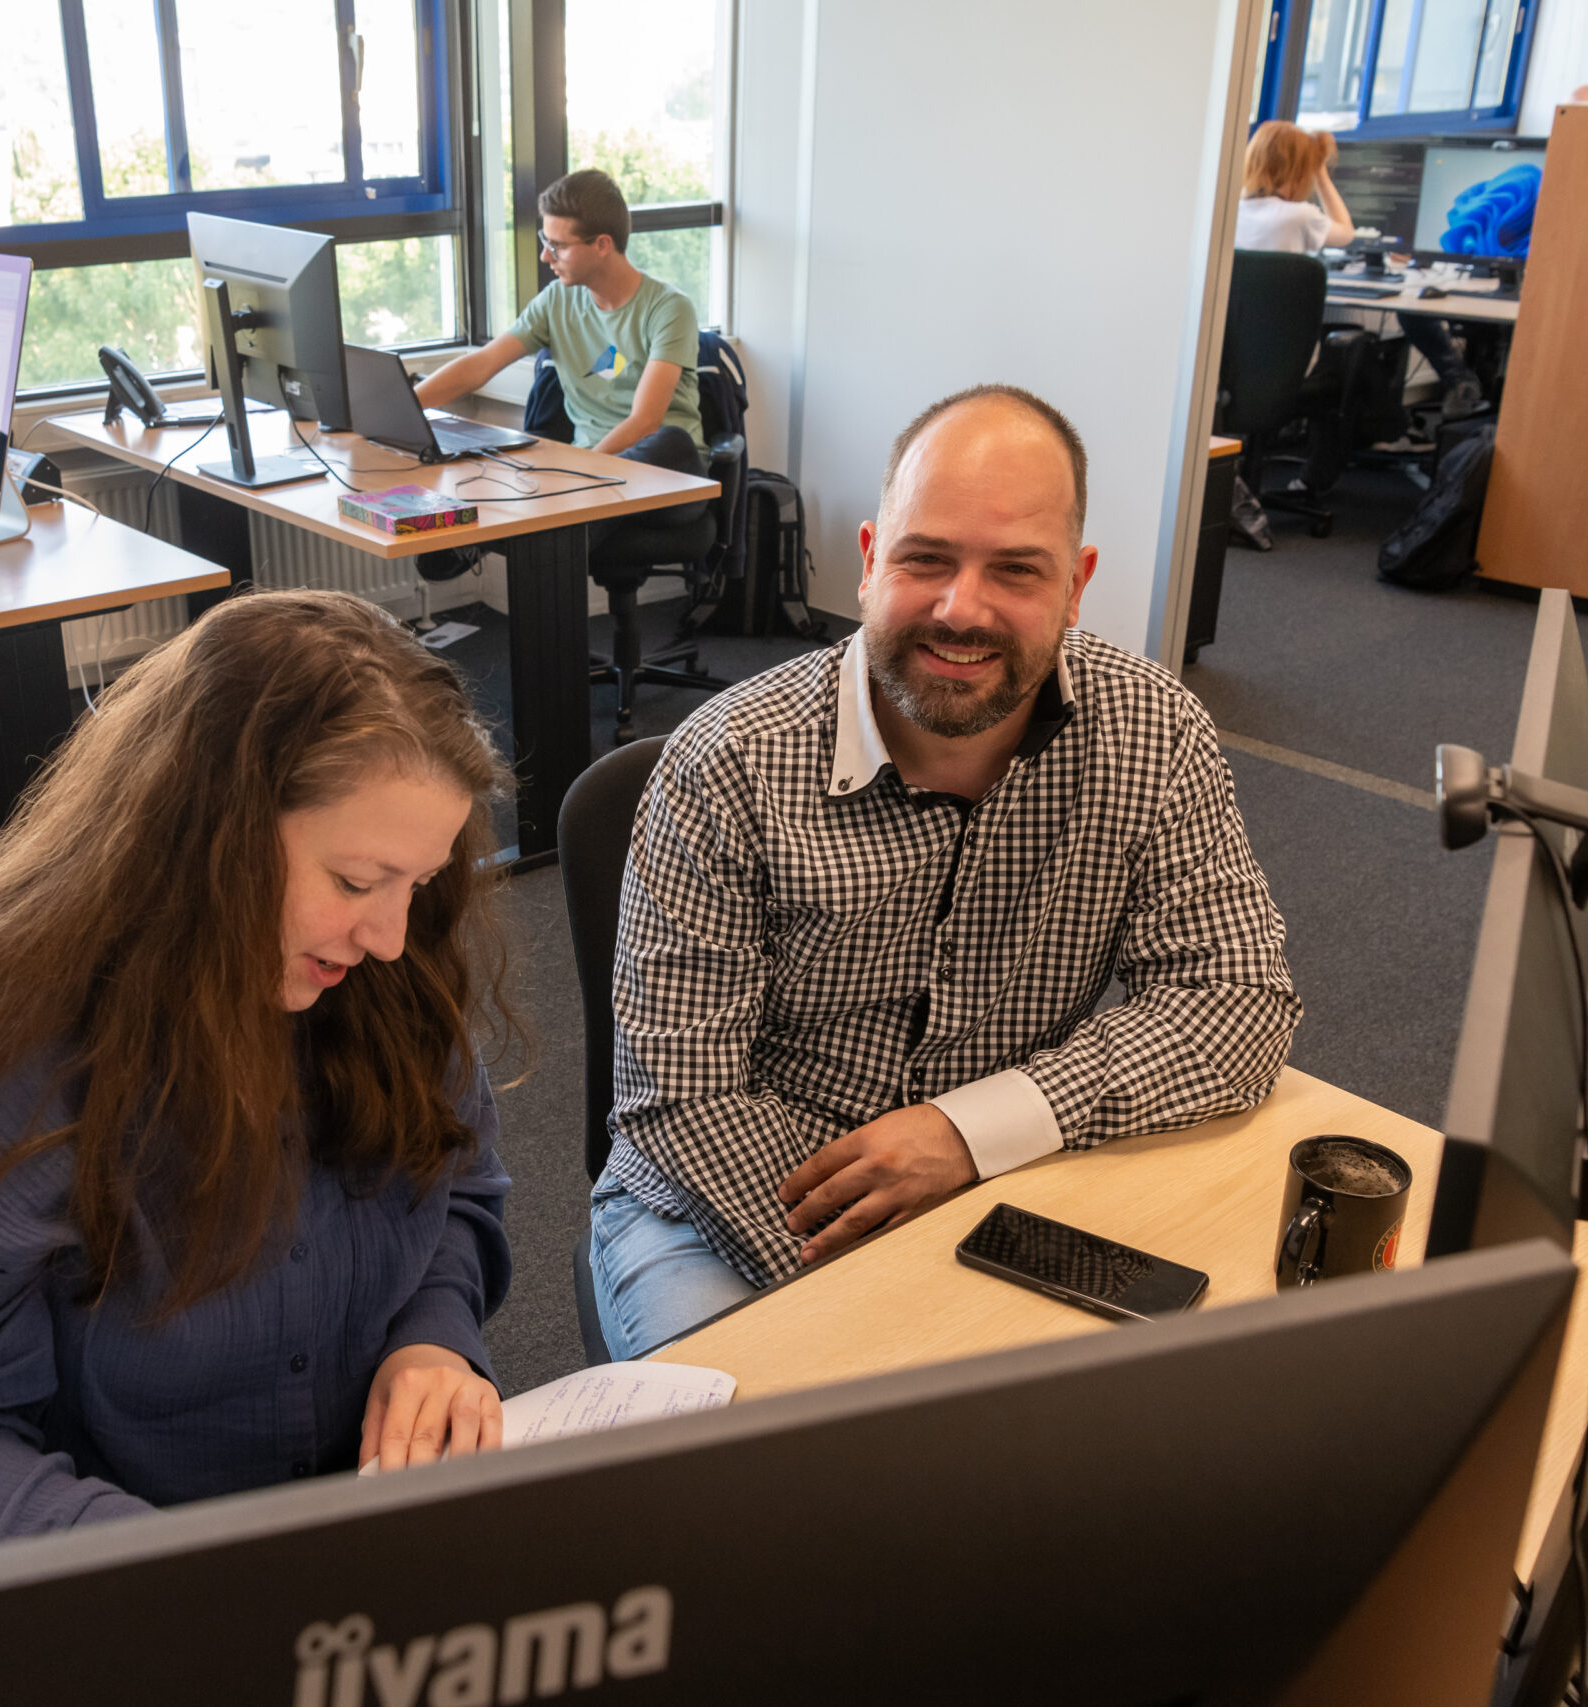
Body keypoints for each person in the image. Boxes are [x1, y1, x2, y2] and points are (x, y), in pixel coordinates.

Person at [0, 589, 517, 1568]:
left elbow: (455, 1193)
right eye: (354, 883)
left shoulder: (375, 977)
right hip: (97, 1597)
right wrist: (180, 1580)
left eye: (417, 884)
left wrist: (432, 1338)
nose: (389, 937)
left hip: (354, 1545)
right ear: (208, 837)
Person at [588, 386, 1302, 1359]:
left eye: (1015, 570)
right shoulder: (727, 762)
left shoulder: (1151, 733)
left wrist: (970, 1135)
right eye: (926, 560)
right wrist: (910, 1282)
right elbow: (682, 1100)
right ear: (872, 555)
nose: (961, 610)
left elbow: (1234, 999)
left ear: (1077, 584)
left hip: (998, 1183)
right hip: (714, 1204)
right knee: (780, 1490)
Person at [407, 168, 708, 575]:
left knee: (667, 440)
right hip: (591, 479)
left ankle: (529, 533)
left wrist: (573, 475)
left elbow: (645, 420)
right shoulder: (557, 302)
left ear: (602, 245)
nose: (546, 256)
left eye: (557, 246)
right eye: (544, 242)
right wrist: (406, 405)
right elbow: (482, 364)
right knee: (520, 470)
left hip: (673, 477)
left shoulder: (669, 308)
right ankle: (545, 536)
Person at [1237, 120, 1484, 423]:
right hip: (1278, 357)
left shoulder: (1232, 210)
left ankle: (1390, 434)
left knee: (1353, 348)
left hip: (1236, 356)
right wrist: (1321, 174)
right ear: (1301, 170)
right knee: (1357, 352)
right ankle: (1379, 440)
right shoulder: (1299, 215)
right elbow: (1346, 233)